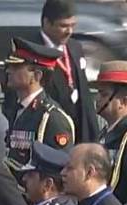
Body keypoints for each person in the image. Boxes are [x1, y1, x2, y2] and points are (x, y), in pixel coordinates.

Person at [3, 37, 75, 170]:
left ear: (37, 76)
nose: (8, 71)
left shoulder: (52, 118)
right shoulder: (16, 108)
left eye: (17, 67)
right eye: (9, 66)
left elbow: (60, 167)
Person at [37, 0, 98, 143]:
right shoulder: (31, 51)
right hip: (50, 136)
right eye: (63, 26)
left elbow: (85, 97)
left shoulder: (75, 47)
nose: (69, 31)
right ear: (47, 23)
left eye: (72, 26)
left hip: (79, 136)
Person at [92, 61, 127, 203]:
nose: (97, 99)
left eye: (103, 94)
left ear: (123, 102)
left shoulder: (123, 136)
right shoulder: (104, 133)